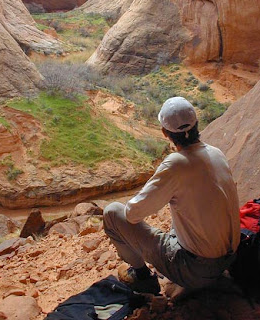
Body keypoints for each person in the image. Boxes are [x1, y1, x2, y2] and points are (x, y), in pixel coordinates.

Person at [103, 96, 240, 295]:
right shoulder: (216, 152)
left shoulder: (176, 163)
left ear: (165, 133)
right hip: (229, 258)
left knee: (113, 213)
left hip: (197, 270)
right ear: (196, 125)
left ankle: (142, 278)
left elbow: (133, 214)